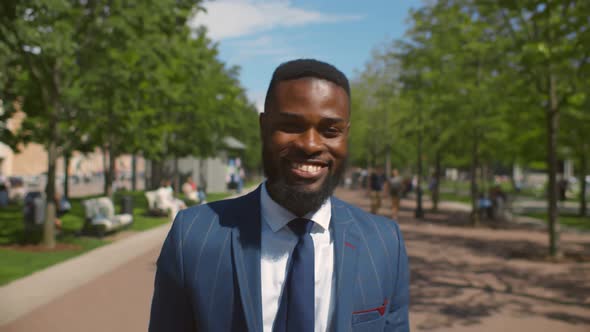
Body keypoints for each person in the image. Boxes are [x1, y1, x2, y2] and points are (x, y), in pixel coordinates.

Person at [149, 59, 410, 332]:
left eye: (330, 130)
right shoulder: (192, 237)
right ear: (264, 127)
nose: (310, 144)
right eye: (292, 126)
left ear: (346, 135)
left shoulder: (384, 243)